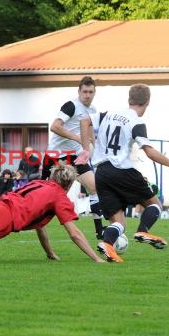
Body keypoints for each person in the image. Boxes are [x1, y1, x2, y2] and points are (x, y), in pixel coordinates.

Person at [77, 83, 169, 262]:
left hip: (101, 172)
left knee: (119, 221)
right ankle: (143, 230)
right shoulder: (136, 122)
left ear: (129, 98)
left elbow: (84, 120)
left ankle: (107, 244)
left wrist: (85, 149)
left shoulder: (108, 114)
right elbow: (149, 151)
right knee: (154, 205)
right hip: (121, 169)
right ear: (147, 102)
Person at [41, 76, 104, 239]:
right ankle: (35, 223)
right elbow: (55, 126)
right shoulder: (71, 106)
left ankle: (100, 231)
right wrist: (76, 138)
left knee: (94, 187)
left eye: (91, 92)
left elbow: (90, 134)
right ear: (79, 91)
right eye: (85, 92)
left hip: (75, 157)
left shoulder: (93, 110)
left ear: (95, 93)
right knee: (45, 198)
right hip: (55, 156)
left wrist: (95, 153)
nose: (87, 95)